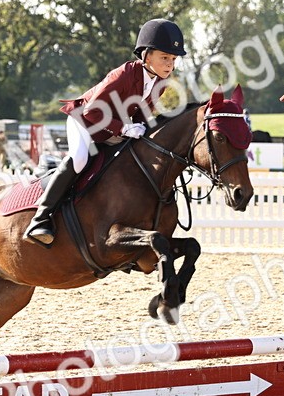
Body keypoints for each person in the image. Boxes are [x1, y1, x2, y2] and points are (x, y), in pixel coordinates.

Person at [24, 18, 185, 246]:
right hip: (84, 121)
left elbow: (140, 116)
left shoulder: (161, 83)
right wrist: (125, 128)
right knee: (80, 159)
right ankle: (40, 218)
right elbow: (92, 111)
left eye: (173, 59)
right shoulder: (124, 74)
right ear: (146, 56)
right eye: (165, 57)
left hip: (110, 128)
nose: (170, 64)